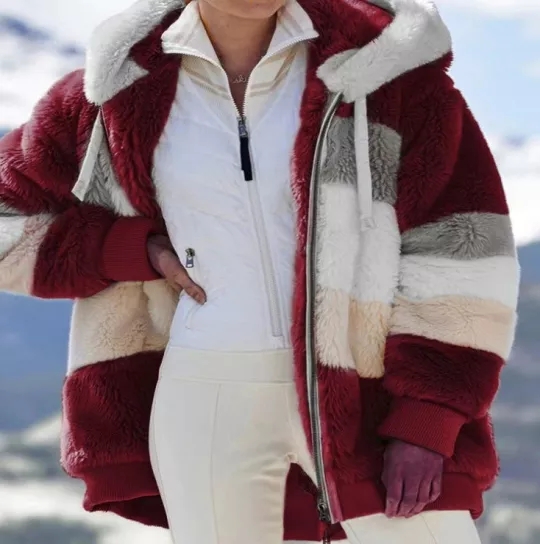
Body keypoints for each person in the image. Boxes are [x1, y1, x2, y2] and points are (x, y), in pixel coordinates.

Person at [0, 0, 520, 542]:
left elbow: (464, 249)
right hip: (207, 396)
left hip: (368, 394)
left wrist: (428, 416)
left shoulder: (385, 70)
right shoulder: (113, 93)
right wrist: (125, 249)